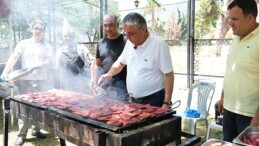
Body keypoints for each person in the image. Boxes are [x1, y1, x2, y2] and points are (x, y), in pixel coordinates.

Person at [98, 12, 174, 108]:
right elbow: (120, 63)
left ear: (143, 29)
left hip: (154, 100)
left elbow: (169, 75)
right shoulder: (130, 43)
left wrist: (166, 103)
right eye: (126, 33)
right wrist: (108, 74)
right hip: (134, 100)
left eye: (131, 34)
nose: (128, 37)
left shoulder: (159, 45)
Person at [0, 19, 52, 145]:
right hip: (25, 80)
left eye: (41, 29)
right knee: (24, 108)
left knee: (39, 107)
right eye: (36, 28)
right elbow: (14, 57)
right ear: (32, 29)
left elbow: (49, 61)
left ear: (44, 31)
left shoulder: (47, 45)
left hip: (41, 80)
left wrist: (37, 66)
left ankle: (36, 129)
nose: (38, 31)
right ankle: (21, 135)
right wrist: (4, 72)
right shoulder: (23, 43)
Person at [218, 0, 259, 142]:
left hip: (249, 115)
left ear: (250, 18)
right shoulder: (235, 38)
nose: (230, 23)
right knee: (227, 143)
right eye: (229, 18)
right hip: (229, 110)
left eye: (234, 19)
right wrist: (223, 96)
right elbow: (231, 69)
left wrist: (256, 120)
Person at [92, 13, 127, 98]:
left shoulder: (126, 41)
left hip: (122, 89)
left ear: (117, 25)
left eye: (111, 25)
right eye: (105, 25)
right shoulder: (100, 42)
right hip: (103, 88)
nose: (108, 28)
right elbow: (97, 65)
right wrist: (95, 84)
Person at [55, 19, 93, 92]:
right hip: (66, 84)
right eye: (65, 36)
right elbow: (57, 69)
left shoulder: (82, 49)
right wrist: (59, 87)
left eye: (70, 36)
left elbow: (92, 63)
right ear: (62, 37)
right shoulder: (59, 51)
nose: (68, 38)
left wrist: (90, 80)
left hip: (81, 83)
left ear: (73, 36)